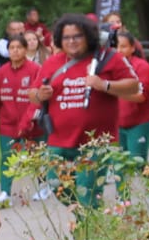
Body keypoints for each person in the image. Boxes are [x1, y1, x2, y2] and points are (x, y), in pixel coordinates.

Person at [28, 13, 138, 209]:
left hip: (94, 143)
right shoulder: (53, 62)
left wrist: (104, 85)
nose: (72, 41)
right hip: (58, 140)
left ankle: (89, 221)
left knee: (87, 194)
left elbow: (133, 86)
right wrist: (39, 95)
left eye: (77, 36)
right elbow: (32, 94)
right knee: (55, 183)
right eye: (66, 37)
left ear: (88, 36)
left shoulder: (107, 58)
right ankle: (88, 219)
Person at [0, 35, 38, 203]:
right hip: (7, 124)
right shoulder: (3, 71)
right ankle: (5, 192)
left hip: (31, 124)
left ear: (25, 49)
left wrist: (27, 121)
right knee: (7, 157)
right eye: (12, 48)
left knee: (35, 156)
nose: (15, 51)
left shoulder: (34, 69)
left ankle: (43, 186)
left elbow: (37, 99)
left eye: (19, 47)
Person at [115, 30, 149, 167]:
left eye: (123, 46)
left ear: (132, 48)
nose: (118, 50)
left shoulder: (142, 66)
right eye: (115, 46)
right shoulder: (109, 67)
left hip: (139, 122)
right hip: (117, 123)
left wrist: (113, 90)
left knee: (137, 162)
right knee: (120, 166)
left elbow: (141, 96)